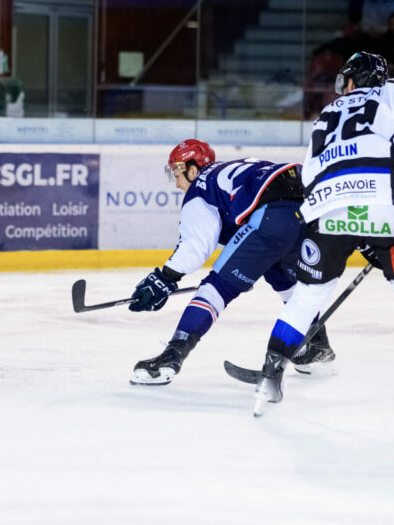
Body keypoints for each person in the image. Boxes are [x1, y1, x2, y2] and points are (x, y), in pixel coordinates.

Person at [248, 52, 394, 421]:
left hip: (326, 210)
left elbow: (308, 175)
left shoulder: (326, 114)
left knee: (305, 299)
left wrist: (347, 229)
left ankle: (269, 380)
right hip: (387, 209)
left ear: (353, 80)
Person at [128, 140, 334, 385]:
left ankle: (171, 357)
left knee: (216, 288)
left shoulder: (201, 187)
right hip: (308, 209)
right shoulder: (234, 170)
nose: (177, 183)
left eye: (177, 173)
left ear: (193, 169)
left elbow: (195, 248)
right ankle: (315, 347)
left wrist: (163, 278)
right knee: (282, 275)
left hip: (272, 215)